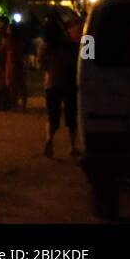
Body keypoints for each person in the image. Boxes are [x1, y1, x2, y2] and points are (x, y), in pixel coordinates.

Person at [37, 16, 80, 158]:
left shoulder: (44, 47)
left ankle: (49, 140)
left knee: (52, 117)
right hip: (69, 83)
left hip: (51, 84)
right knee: (71, 117)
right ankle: (72, 147)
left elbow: (41, 66)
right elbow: (78, 60)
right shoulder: (69, 45)